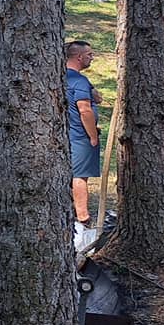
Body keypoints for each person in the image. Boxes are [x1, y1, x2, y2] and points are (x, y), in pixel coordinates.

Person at [66, 41, 100, 235]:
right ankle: (83, 217)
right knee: (79, 176)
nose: (92, 57)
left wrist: (92, 91)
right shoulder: (79, 81)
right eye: (89, 54)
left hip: (66, 134)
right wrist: (93, 136)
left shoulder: (60, 76)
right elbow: (84, 110)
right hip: (79, 135)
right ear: (79, 57)